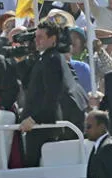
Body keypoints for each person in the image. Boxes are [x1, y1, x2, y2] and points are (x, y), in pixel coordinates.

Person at [19, 20, 84, 166]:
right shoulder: (44, 57)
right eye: (36, 36)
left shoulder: (53, 59)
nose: (37, 40)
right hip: (37, 125)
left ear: (52, 39)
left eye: (41, 37)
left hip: (43, 126)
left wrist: (35, 119)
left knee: (36, 168)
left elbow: (52, 95)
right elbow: (29, 83)